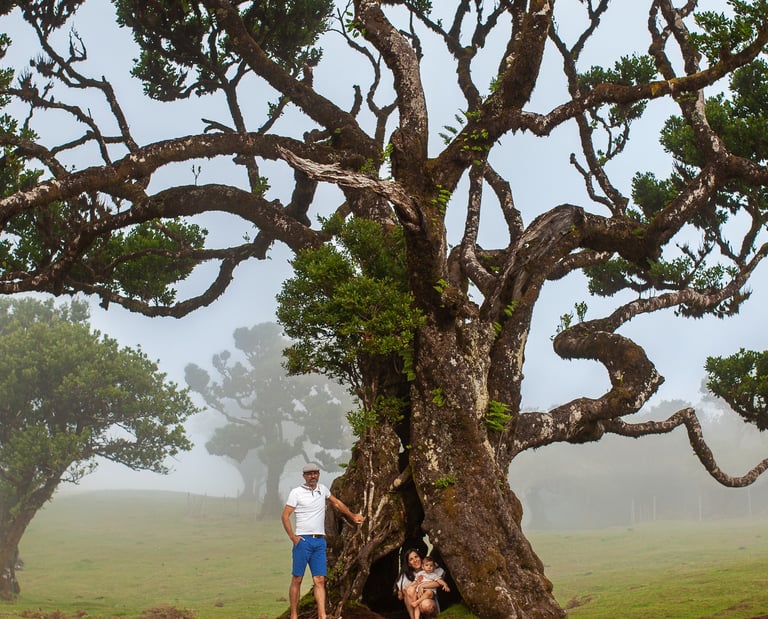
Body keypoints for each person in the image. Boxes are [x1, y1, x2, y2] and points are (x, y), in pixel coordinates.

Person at [281, 462, 365, 619]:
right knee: (297, 578)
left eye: (315, 473)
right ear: (304, 476)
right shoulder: (296, 492)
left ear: (318, 474)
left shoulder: (323, 489)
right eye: (309, 474)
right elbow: (285, 515)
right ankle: (294, 615)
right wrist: (293, 537)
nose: (312, 476)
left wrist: (352, 516)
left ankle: (322, 615)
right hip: (303, 541)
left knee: (319, 579)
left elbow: (337, 503)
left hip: (319, 541)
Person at [394, 548, 439, 619]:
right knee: (409, 590)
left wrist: (422, 586)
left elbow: (439, 582)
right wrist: (416, 584)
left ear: (420, 557)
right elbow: (401, 596)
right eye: (411, 559)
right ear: (409, 564)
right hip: (414, 601)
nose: (415, 560)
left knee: (426, 605)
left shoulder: (429, 566)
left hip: (428, 599)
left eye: (416, 557)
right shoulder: (407, 575)